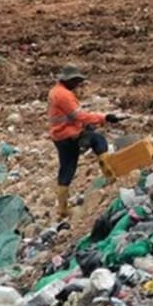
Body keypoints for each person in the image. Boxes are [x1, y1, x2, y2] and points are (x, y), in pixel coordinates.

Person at [47, 65, 122, 220]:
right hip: (68, 134)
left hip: (59, 135)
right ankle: (111, 175)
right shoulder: (64, 95)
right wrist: (104, 118)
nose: (77, 84)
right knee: (98, 140)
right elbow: (79, 116)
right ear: (69, 80)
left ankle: (62, 209)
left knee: (67, 168)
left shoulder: (56, 91)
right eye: (75, 81)